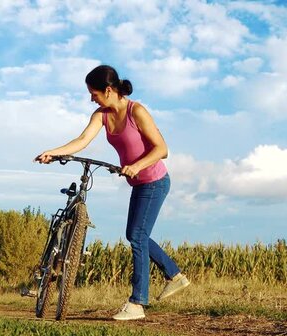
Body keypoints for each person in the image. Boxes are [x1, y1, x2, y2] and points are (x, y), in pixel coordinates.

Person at [35, 65, 190, 321]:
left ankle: (137, 303)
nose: (91, 98)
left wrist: (137, 165)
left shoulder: (136, 111)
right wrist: (54, 152)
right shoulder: (102, 115)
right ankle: (174, 275)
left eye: (93, 93)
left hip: (155, 180)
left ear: (108, 90)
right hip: (139, 183)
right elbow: (82, 140)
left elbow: (162, 149)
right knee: (135, 234)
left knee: (137, 236)